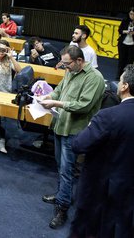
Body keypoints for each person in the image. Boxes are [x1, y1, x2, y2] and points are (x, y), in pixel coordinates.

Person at [38, 45, 105, 229]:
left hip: (75, 130)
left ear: (79, 61)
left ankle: (63, 208)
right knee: (60, 166)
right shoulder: (70, 71)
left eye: (67, 65)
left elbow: (82, 105)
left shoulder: (95, 79)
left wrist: (56, 102)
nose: (65, 68)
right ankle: (62, 195)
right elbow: (59, 90)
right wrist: (46, 98)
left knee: (67, 171)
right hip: (61, 125)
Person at [69, 64, 134, 238]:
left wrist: (90, 127)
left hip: (99, 194)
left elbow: (79, 145)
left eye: (120, 80)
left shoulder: (107, 116)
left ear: (125, 86)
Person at [116, 7, 134, 79]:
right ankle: (118, 76)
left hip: (132, 45)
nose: (132, 16)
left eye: (133, 14)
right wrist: (126, 31)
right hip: (123, 43)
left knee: (129, 62)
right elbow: (120, 30)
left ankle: (127, 77)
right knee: (121, 60)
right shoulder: (125, 20)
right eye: (131, 14)